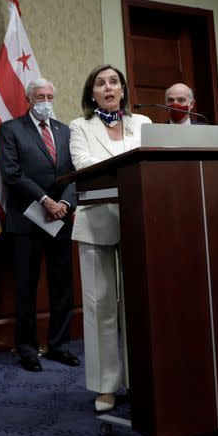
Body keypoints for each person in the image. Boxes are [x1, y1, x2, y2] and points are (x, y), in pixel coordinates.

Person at [69, 65, 151, 412]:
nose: (108, 87)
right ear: (92, 93)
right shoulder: (80, 126)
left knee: (139, 306)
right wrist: (131, 164)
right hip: (97, 222)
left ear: (123, 90)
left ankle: (140, 379)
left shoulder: (143, 124)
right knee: (101, 307)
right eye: (101, 83)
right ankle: (105, 386)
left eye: (114, 82)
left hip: (141, 223)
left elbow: (155, 164)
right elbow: (85, 164)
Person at [0, 78, 80, 373]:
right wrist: (46, 200)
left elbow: (74, 172)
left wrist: (65, 205)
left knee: (62, 286)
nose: (45, 100)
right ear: (29, 99)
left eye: (49, 96)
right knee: (26, 287)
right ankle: (27, 348)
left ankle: (59, 345)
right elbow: (12, 173)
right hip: (27, 218)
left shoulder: (65, 131)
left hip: (61, 219)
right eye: (39, 96)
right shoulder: (11, 129)